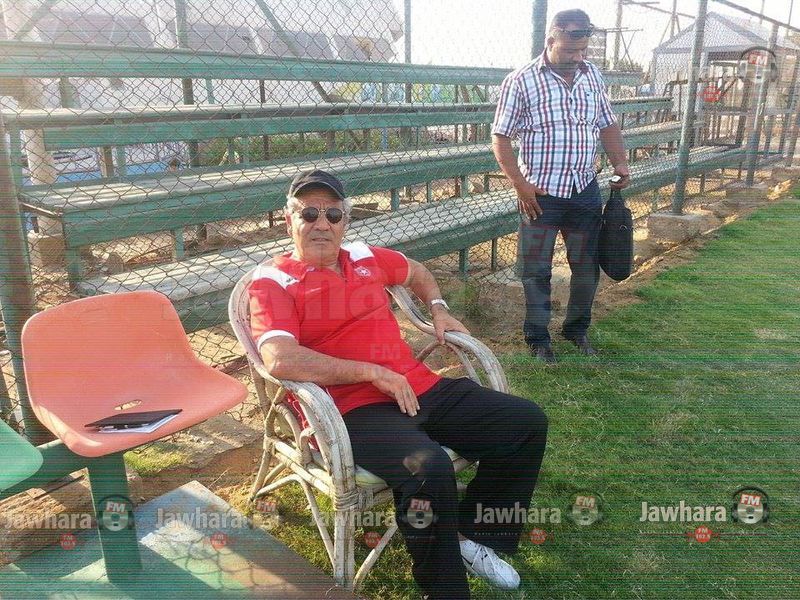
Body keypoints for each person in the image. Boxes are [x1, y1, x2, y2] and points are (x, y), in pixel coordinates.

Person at [248, 169, 548, 599]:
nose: (321, 224)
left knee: (524, 422)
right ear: (288, 219)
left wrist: (439, 308)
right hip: (349, 410)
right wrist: (370, 372)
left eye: (333, 214)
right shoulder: (273, 280)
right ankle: (444, 590)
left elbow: (418, 272)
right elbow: (280, 358)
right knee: (428, 468)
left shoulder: (364, 256)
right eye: (309, 213)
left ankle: (474, 537)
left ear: (346, 221)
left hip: (416, 386)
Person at [491, 9, 631, 364]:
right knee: (537, 270)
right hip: (540, 196)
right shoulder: (521, 81)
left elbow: (607, 123)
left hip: (584, 189)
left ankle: (576, 330)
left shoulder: (592, 75)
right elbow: (501, 137)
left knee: (586, 266)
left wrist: (620, 162)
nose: (577, 57)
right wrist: (519, 184)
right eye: (570, 50)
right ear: (551, 40)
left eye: (582, 50)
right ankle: (538, 340)